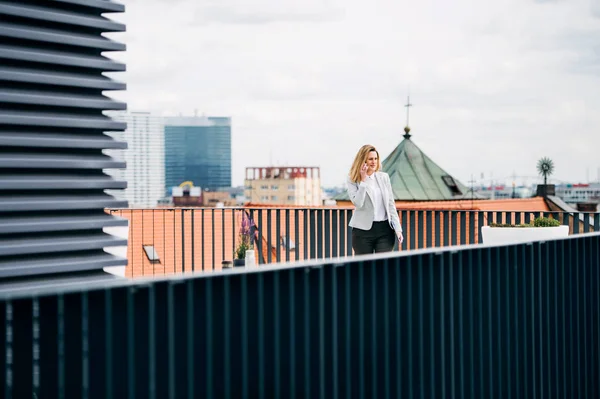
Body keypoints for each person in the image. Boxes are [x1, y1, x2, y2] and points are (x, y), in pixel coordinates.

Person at [346, 144, 403, 255]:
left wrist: (398, 229)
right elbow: (358, 203)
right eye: (370, 159)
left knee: (383, 266)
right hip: (362, 232)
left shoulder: (384, 177)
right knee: (364, 268)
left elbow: (391, 204)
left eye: (376, 159)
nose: (374, 162)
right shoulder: (352, 179)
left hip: (385, 230)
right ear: (363, 160)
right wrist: (363, 181)